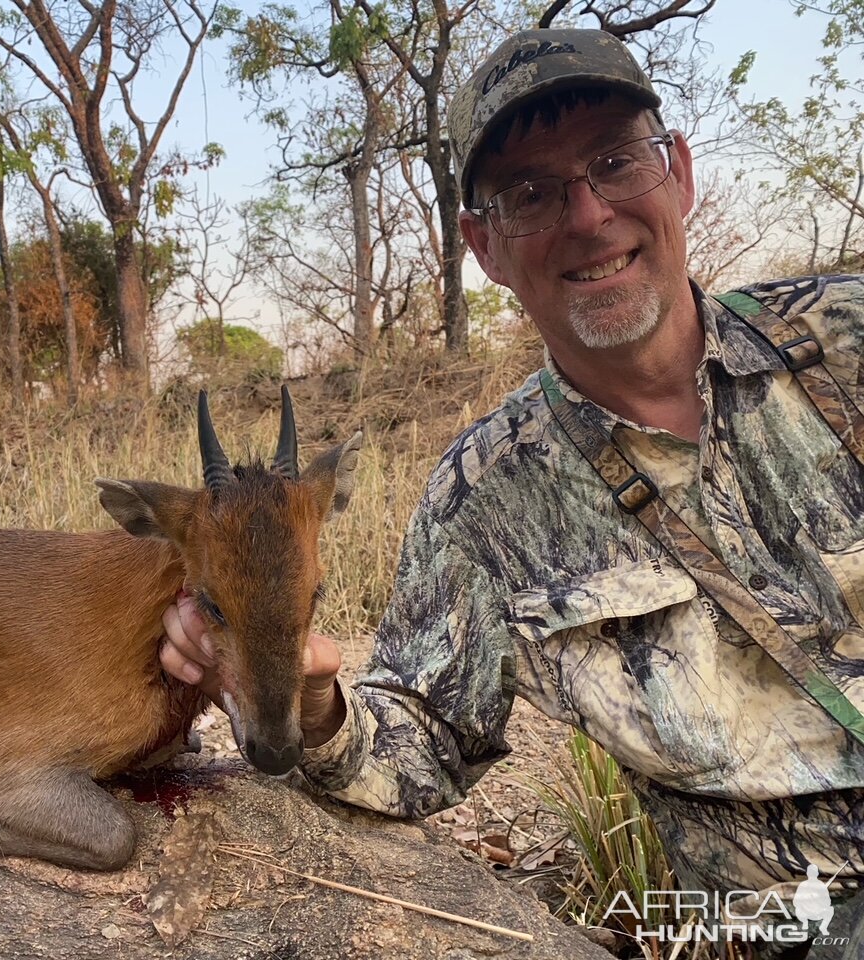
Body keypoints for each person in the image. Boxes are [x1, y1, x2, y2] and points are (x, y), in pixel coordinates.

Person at [159, 26, 864, 960]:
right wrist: (318, 697)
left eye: (616, 162)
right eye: (531, 193)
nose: (587, 215)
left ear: (679, 174)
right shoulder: (479, 505)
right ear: (483, 246)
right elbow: (420, 744)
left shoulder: (845, 338)